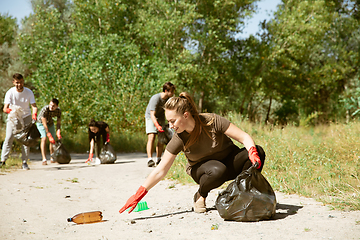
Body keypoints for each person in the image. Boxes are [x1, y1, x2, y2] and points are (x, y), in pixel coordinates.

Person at [119, 92, 266, 214]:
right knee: (217, 170)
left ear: (186, 115)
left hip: (229, 160)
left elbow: (244, 137)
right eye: (169, 122)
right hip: (205, 171)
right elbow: (161, 170)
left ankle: (242, 193)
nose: (170, 126)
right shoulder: (178, 139)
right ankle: (200, 195)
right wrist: (139, 194)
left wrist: (252, 152)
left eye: (173, 121)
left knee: (258, 151)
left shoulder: (212, 121)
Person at [1, 73, 38, 170]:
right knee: (9, 138)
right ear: (13, 82)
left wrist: (34, 115)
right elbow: (5, 108)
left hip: (26, 117)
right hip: (14, 117)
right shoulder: (10, 92)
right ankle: (3, 161)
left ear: (23, 81)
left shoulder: (28, 92)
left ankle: (24, 162)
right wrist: (10, 111)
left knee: (26, 141)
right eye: (17, 82)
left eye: (21, 82)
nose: (19, 84)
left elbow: (33, 106)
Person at [145, 82, 175, 167]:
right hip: (151, 117)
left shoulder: (168, 100)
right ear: (166, 90)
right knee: (152, 136)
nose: (173, 93)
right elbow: (152, 114)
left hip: (161, 118)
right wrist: (157, 125)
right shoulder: (156, 98)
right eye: (171, 91)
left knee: (161, 139)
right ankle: (150, 159)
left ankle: (158, 159)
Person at [36, 98, 62, 165]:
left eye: (53, 106)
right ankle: (44, 159)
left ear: (57, 106)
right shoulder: (45, 109)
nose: (51, 107)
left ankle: (52, 157)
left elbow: (58, 122)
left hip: (50, 123)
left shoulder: (58, 111)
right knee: (44, 138)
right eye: (50, 105)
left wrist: (58, 131)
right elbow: (44, 124)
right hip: (41, 123)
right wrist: (48, 134)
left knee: (53, 140)